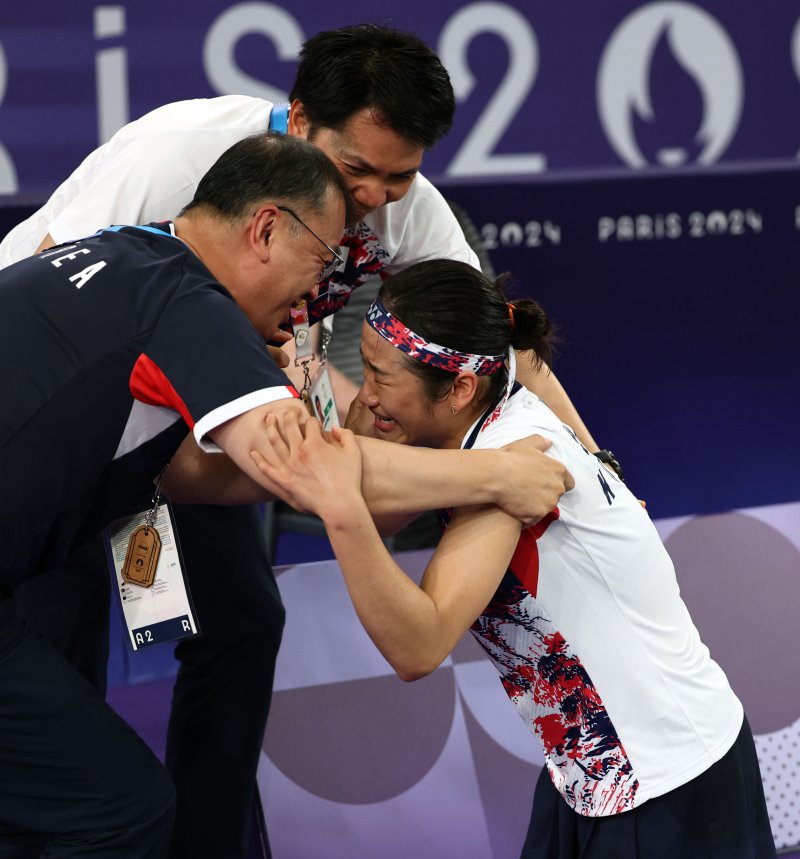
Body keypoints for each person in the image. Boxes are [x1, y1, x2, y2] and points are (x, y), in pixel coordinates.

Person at [0, 23, 590, 857]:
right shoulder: (180, 158)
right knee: (61, 678)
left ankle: (200, 841)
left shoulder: (391, 209)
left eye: (402, 176)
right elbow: (65, 291)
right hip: (72, 432)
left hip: (190, 429)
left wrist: (589, 458)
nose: (378, 201)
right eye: (357, 173)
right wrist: (490, 475)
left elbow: (494, 338)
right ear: (299, 125)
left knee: (243, 619)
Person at [251, 259, 777, 859]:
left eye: (378, 374)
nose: (365, 393)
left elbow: (417, 646)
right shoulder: (488, 425)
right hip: (588, 768)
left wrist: (337, 498)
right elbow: (387, 503)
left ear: (459, 389)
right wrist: (340, 405)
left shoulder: (513, 468)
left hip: (665, 785)